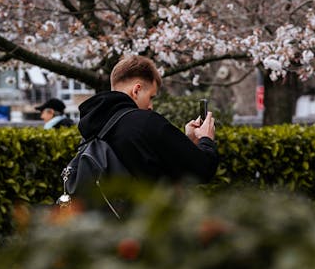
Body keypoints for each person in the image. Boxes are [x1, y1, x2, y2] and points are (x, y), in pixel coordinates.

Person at [77, 55, 218, 184]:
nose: (151, 106)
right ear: (136, 90)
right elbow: (202, 170)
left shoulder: (93, 127)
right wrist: (206, 140)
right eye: (151, 97)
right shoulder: (146, 123)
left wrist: (187, 141)